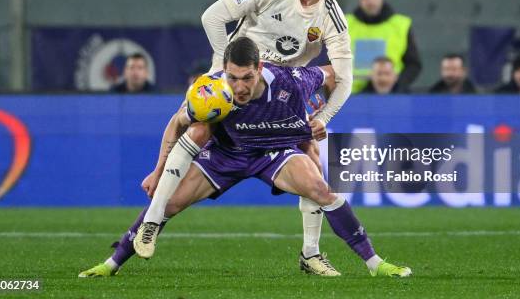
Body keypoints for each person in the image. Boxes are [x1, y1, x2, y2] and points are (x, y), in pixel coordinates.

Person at [80, 0, 353, 277]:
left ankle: (311, 254)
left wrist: (324, 118)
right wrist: (224, 69)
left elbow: (345, 78)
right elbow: (211, 17)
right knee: (193, 125)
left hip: (279, 96)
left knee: (312, 156)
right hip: (237, 82)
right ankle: (126, 247)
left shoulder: (331, 16)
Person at [137, 38, 410, 277]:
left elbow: (332, 73)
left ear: (258, 69)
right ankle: (116, 259)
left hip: (275, 142)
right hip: (230, 152)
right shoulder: (212, 92)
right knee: (169, 202)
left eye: (246, 78)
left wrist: (321, 113)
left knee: (318, 180)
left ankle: (358, 260)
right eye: (233, 78)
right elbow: (178, 122)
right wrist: (158, 170)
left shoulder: (291, 80)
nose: (239, 86)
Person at [346, 0, 421, 93]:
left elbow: (413, 64)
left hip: (391, 95)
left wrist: (397, 86)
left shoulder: (401, 25)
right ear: (359, 0)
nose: (371, 1)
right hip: (353, 95)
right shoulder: (345, 24)